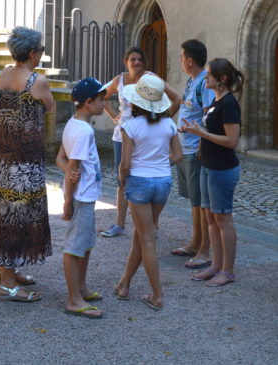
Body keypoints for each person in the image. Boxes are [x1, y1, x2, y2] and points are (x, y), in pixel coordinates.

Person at [0, 26, 54, 301]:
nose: (42, 54)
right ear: (32, 52)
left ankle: (7, 270)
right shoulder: (36, 82)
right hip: (25, 163)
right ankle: (6, 282)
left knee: (5, 215)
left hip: (2, 158)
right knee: (15, 218)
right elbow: (50, 106)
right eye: (41, 49)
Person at [115, 74, 183, 310]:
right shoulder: (169, 124)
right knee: (143, 233)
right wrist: (160, 164)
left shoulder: (130, 126)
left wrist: (122, 180)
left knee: (147, 238)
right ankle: (124, 284)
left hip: (140, 183)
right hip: (162, 182)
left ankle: (157, 295)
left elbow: (125, 164)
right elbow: (178, 156)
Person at [101, 46, 181, 237]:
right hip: (123, 133)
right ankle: (119, 223)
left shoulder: (150, 79)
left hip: (147, 131)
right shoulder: (119, 80)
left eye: (139, 59)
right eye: (132, 59)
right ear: (126, 62)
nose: (136, 62)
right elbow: (100, 96)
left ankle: (153, 224)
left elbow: (177, 98)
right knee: (123, 178)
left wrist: (163, 118)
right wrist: (114, 116)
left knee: (148, 176)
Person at [181, 58, 243, 286]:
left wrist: (203, 134)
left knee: (223, 219)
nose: (205, 78)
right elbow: (209, 129)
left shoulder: (228, 104)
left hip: (222, 169)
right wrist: (194, 130)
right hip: (208, 166)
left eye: (208, 75)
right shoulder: (216, 101)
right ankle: (215, 266)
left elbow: (232, 141)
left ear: (222, 79)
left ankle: (227, 271)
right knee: (211, 219)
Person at [56, 77, 110, 318]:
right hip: (81, 197)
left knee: (86, 244)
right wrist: (67, 202)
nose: (104, 104)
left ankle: (81, 288)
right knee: (75, 247)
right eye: (102, 100)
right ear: (89, 102)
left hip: (85, 195)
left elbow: (61, 159)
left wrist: (70, 169)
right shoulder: (84, 130)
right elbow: (72, 165)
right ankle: (73, 300)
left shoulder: (72, 123)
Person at [171, 39, 215, 270]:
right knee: (194, 201)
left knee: (202, 202)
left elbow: (208, 117)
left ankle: (205, 250)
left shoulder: (204, 84)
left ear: (189, 60)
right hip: (184, 148)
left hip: (195, 150)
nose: (180, 61)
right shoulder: (191, 80)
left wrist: (201, 146)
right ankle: (195, 241)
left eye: (181, 57)